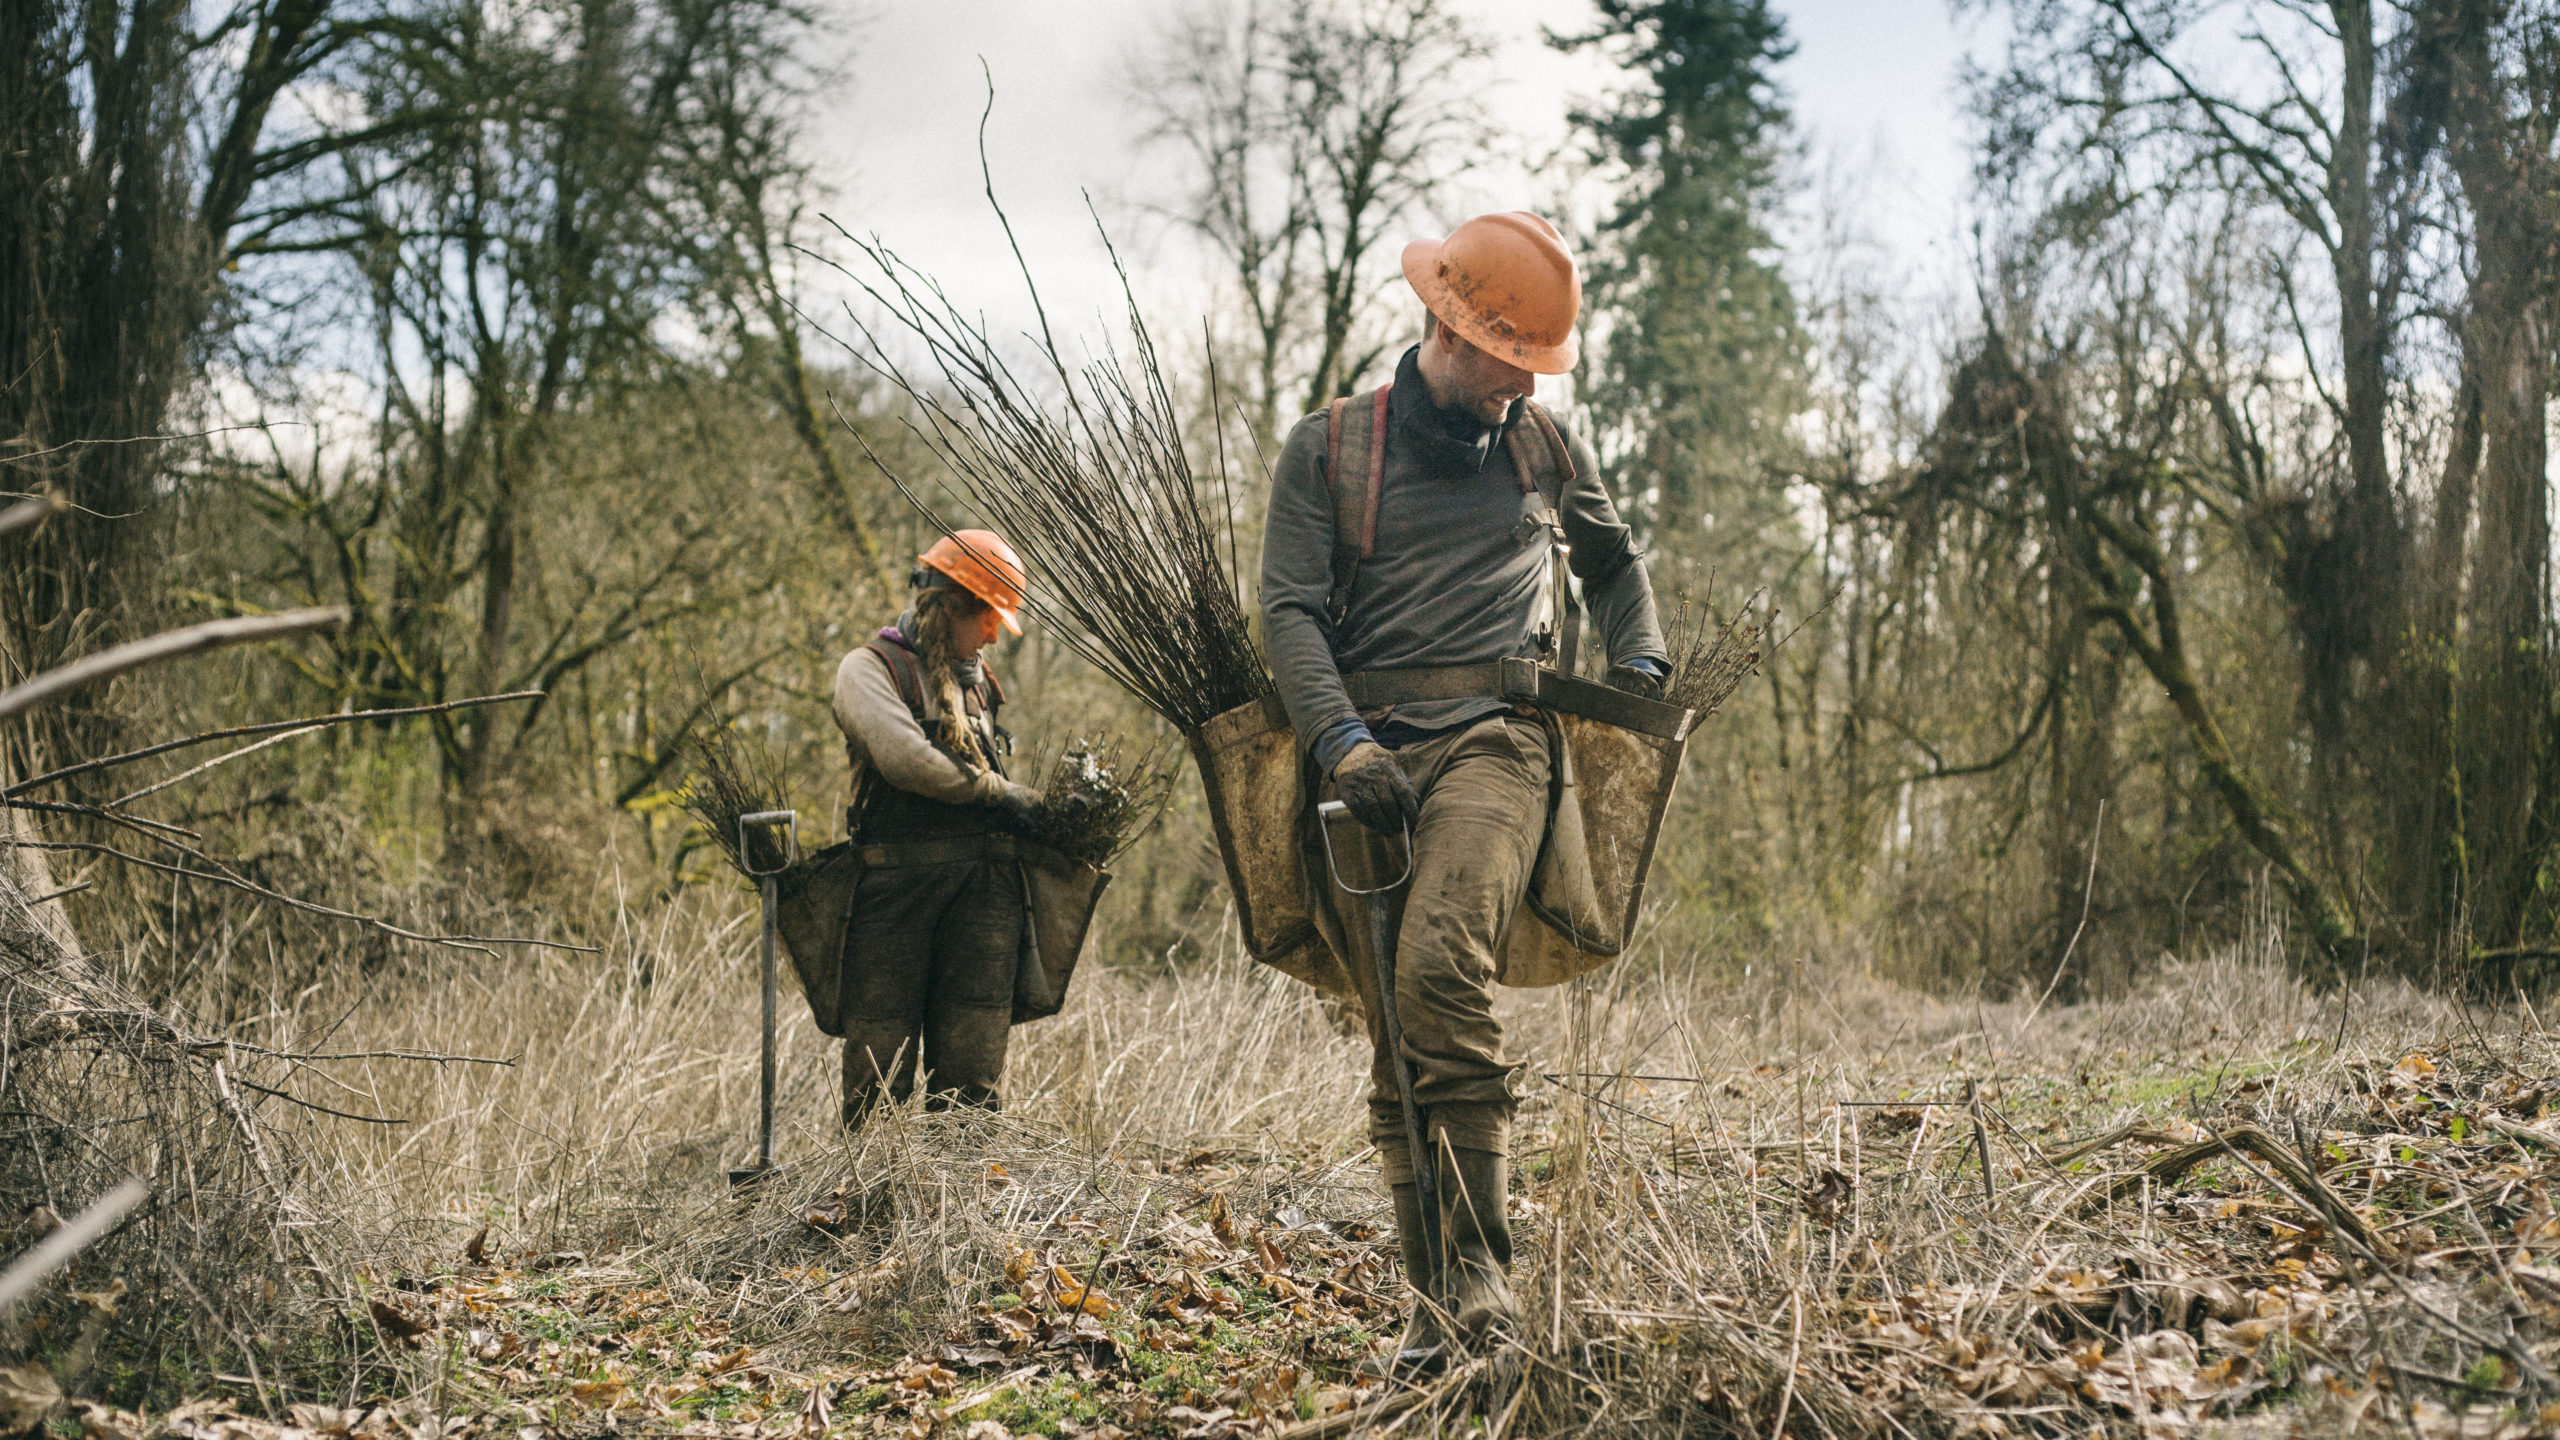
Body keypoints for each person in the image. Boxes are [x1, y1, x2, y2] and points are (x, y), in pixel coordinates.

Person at [1258, 212, 1668, 1371]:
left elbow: (1615, 566)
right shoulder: (1328, 449)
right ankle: (1432, 1317)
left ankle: (1484, 1275)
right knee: (1396, 1034)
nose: (1525, 386)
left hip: (1500, 742)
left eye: (1539, 367)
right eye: (1510, 361)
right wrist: (1340, 743)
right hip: (1366, 761)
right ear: (1450, 329)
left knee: (1440, 968)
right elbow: (1287, 609)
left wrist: (1639, 661)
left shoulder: (1545, 448)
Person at [827, 529, 1045, 1128]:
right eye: (990, 617)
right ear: (952, 606)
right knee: (878, 1079)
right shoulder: (868, 670)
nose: (995, 635)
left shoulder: (979, 687)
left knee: (972, 1083)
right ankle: (876, 1187)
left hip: (983, 897)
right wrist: (1000, 792)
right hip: (892, 897)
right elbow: (907, 760)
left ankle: (966, 1189)